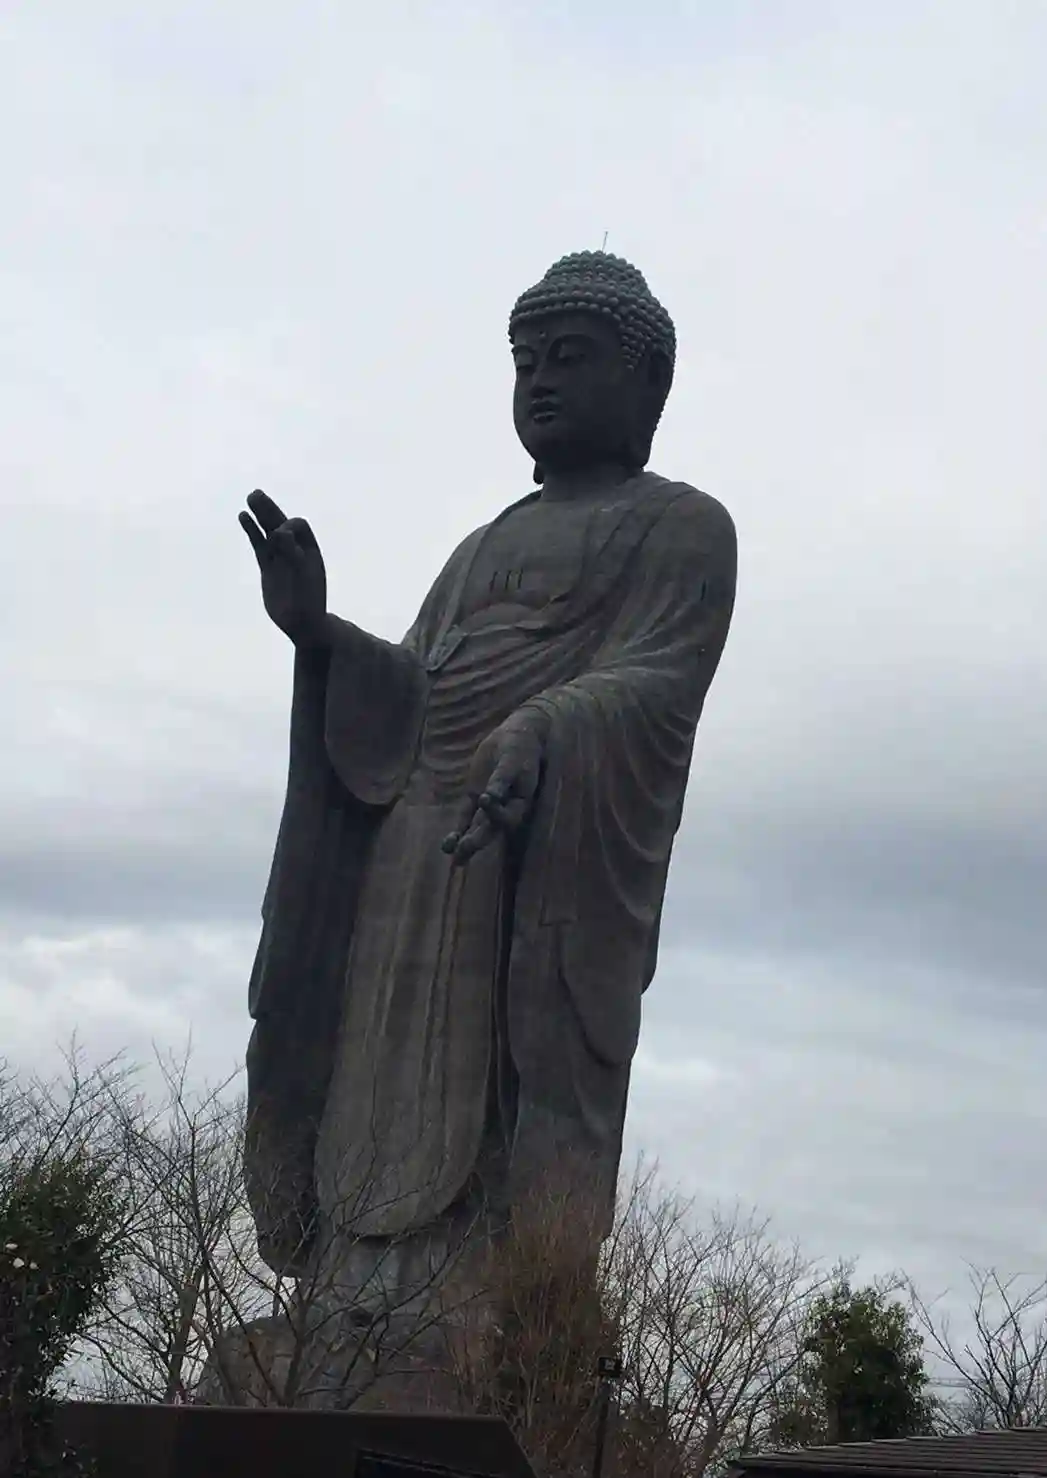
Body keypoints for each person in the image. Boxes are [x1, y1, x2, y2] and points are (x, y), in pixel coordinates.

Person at [239, 251, 737, 1335]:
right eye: (524, 361)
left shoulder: (681, 525)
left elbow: (659, 676)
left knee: (492, 1080)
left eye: (569, 356)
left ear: (647, 380)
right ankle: (350, 1289)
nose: (539, 380)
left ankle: (483, 1293)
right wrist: (321, 635)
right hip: (411, 843)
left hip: (523, 854)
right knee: (374, 1062)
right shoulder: (485, 543)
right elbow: (417, 684)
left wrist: (543, 725)